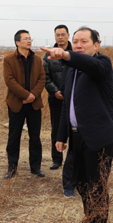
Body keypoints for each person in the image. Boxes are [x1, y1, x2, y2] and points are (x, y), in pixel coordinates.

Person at [43, 27, 113, 223]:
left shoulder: (102, 63)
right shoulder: (70, 69)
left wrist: (66, 55)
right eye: (75, 41)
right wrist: (61, 135)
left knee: (97, 188)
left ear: (96, 45)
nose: (78, 45)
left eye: (84, 41)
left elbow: (90, 65)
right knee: (82, 185)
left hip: (98, 137)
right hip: (77, 136)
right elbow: (66, 105)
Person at [3, 30, 47, 179]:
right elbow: (9, 81)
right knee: (14, 137)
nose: (29, 41)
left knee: (35, 137)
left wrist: (32, 95)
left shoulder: (37, 59)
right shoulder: (9, 60)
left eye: (30, 38)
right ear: (17, 42)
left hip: (34, 104)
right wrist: (25, 95)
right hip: (17, 103)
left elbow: (42, 79)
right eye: (25, 38)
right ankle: (12, 168)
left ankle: (35, 168)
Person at [43, 24, 72, 171]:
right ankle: (57, 159)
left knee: (74, 129)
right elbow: (45, 76)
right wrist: (55, 91)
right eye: (57, 35)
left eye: (63, 34)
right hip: (55, 98)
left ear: (68, 36)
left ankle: (73, 159)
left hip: (73, 98)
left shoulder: (75, 53)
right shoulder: (48, 55)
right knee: (56, 129)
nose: (60, 37)